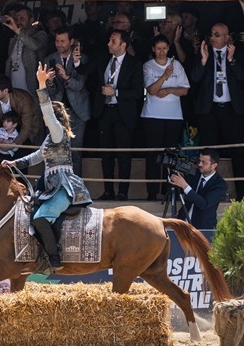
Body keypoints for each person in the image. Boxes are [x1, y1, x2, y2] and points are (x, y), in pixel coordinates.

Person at [10, 64, 94, 271]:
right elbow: (38, 156)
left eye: (47, 117)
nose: (44, 120)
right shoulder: (50, 138)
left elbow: (47, 113)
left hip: (63, 187)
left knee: (40, 218)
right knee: (32, 215)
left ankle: (54, 259)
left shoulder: (58, 132)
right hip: (49, 188)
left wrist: (41, 85)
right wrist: (15, 163)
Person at [187, 23, 244, 200]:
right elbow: (195, 77)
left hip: (231, 109)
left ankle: (242, 193)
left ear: (227, 37)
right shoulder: (203, 52)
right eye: (211, 35)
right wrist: (203, 60)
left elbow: (241, 75)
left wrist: (231, 59)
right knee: (208, 152)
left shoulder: (237, 53)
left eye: (217, 35)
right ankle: (205, 193)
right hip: (209, 110)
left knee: (238, 151)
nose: (212, 38)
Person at [93, 29, 144, 201]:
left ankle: (123, 191)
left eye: (113, 41)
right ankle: (108, 190)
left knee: (123, 154)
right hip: (105, 111)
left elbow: (138, 92)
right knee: (106, 154)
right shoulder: (103, 59)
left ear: (123, 45)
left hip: (123, 113)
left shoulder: (134, 64)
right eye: (109, 39)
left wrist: (115, 92)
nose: (109, 43)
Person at [140, 34, 191, 201]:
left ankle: (171, 190)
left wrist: (170, 90)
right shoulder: (148, 66)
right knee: (153, 155)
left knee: (171, 155)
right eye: (158, 49)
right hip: (152, 115)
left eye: (164, 48)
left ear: (169, 48)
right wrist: (164, 77)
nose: (162, 52)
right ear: (153, 50)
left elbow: (185, 90)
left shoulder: (177, 65)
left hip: (173, 116)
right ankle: (152, 192)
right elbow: (152, 90)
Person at [41, 28, 91, 175]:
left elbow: (80, 85)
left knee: (75, 152)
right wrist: (49, 82)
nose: (59, 44)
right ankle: (54, 187)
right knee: (54, 151)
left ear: (71, 41)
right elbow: (49, 91)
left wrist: (66, 77)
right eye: (57, 41)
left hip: (78, 111)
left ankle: (75, 189)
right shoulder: (49, 59)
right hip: (57, 111)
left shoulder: (81, 58)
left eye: (63, 41)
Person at [170, 148, 228, 230]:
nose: (200, 164)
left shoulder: (220, 184)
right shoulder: (194, 174)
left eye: (204, 162)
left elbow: (204, 204)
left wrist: (185, 186)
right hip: (183, 224)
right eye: (199, 161)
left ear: (214, 165)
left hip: (203, 229)